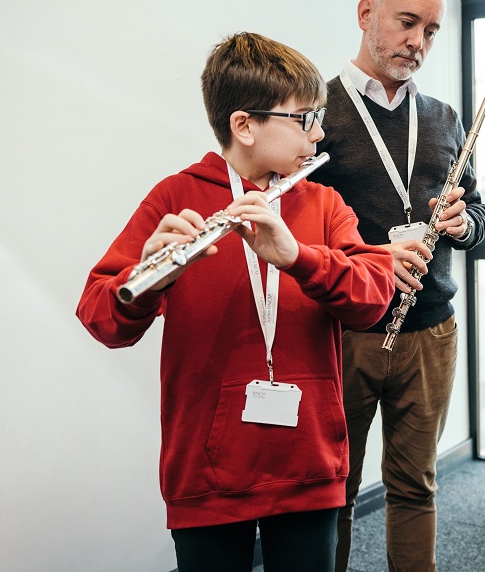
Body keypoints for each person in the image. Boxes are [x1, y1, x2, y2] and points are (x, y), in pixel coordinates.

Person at [75, 32, 395, 572]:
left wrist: (298, 258)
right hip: (207, 474)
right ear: (244, 126)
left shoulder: (323, 202)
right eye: (303, 118)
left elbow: (374, 297)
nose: (318, 132)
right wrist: (150, 278)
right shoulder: (175, 197)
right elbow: (102, 317)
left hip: (308, 466)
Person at [311, 0, 485, 572]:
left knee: (416, 486)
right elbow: (296, 235)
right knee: (330, 489)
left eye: (432, 31)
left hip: (430, 332)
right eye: (408, 22)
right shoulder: (316, 114)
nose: (419, 42)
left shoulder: (442, 118)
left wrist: (466, 225)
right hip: (343, 331)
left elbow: (480, 209)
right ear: (368, 16)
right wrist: (368, 260)